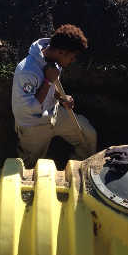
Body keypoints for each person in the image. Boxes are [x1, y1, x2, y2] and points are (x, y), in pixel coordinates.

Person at [11, 24, 97, 168]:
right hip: (33, 126)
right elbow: (30, 108)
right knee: (29, 166)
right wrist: (47, 81)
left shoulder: (55, 60)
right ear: (61, 52)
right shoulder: (27, 71)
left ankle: (78, 167)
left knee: (88, 135)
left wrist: (62, 98)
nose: (73, 60)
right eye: (72, 56)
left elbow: (51, 89)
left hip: (55, 115)